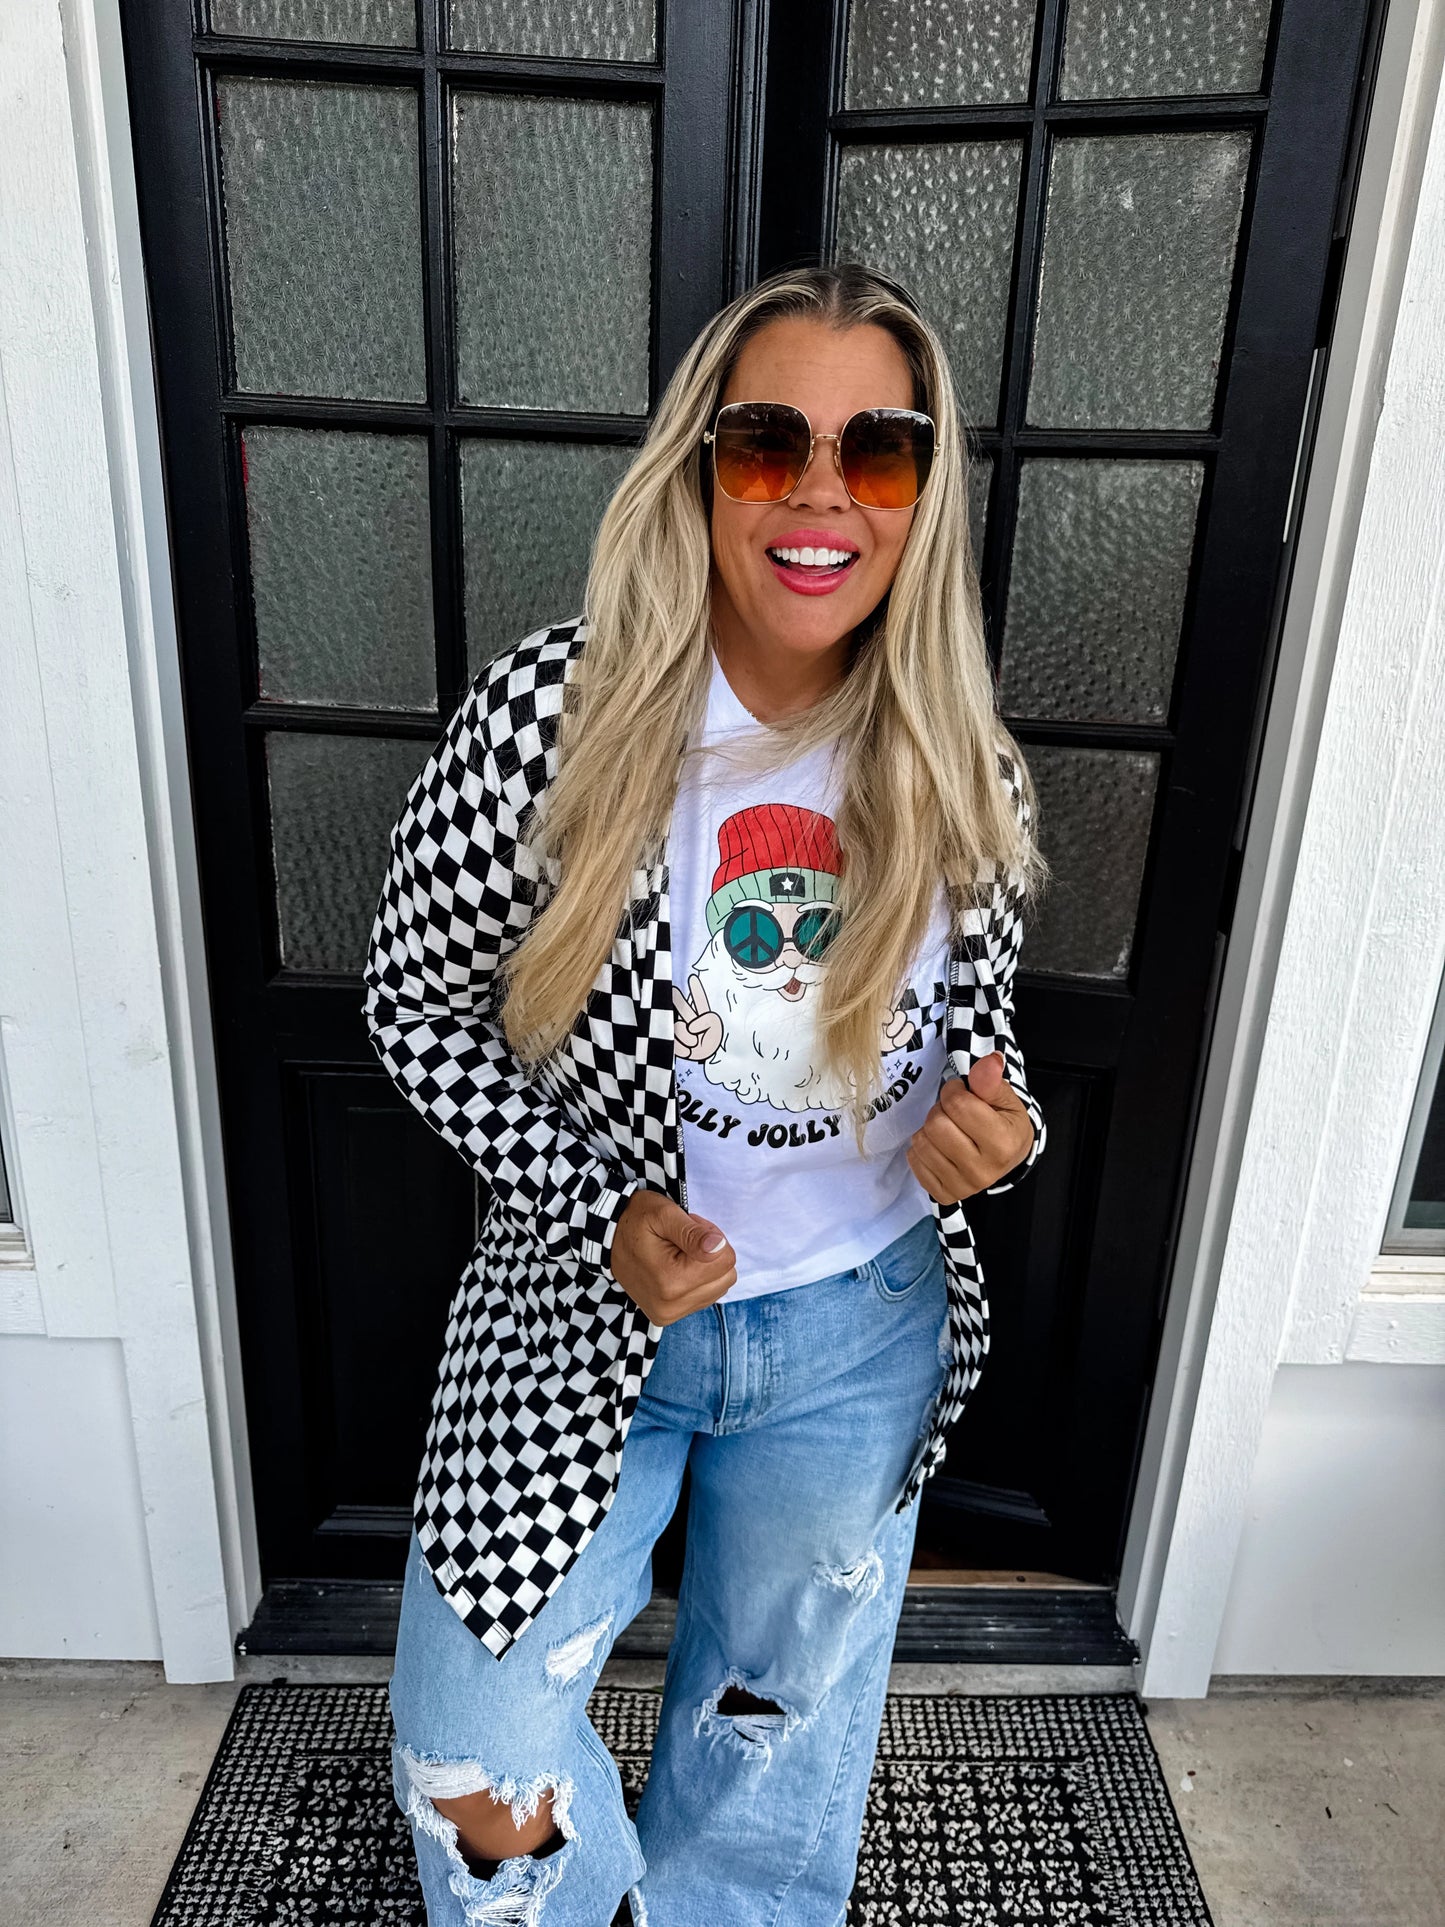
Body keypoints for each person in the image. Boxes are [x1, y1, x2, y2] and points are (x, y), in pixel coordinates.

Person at [363, 261, 1049, 1927]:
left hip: (857, 1335)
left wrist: (1001, 1130)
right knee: (473, 1752)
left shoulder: (961, 759)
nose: (820, 493)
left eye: (875, 449)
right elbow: (413, 1002)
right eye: (766, 442)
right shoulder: (554, 716)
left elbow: (976, 1042)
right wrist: (594, 1208)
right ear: (699, 467)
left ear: (922, 490)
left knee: (769, 1751)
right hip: (577, 1323)